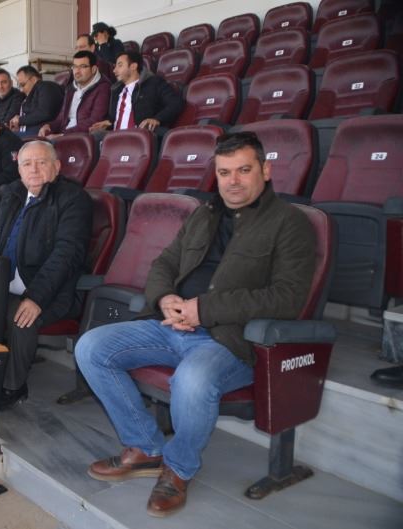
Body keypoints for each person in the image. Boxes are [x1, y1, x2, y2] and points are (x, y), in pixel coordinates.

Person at [75, 132, 316, 517]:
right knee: (91, 347)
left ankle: (179, 467)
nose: (233, 181)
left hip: (229, 340)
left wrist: (205, 309)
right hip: (171, 325)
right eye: (224, 172)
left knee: (192, 380)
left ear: (266, 171)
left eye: (243, 170)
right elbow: (164, 264)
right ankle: (146, 448)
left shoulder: (290, 223)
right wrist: (165, 299)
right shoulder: (204, 214)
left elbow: (286, 298)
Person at [0, 141, 92, 409]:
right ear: (19, 170)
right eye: (27, 164)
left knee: (21, 318)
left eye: (41, 162)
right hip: (4, 284)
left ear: (57, 166)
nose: (34, 169)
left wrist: (36, 297)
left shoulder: (73, 199)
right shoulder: (12, 194)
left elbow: (66, 255)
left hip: (52, 291)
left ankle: (13, 387)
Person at [90, 50, 182, 134]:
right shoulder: (116, 90)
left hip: (139, 136)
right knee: (93, 135)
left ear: (133, 66)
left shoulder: (154, 83)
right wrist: (109, 122)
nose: (114, 70)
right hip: (115, 136)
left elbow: (175, 103)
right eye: (115, 67)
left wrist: (157, 119)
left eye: (120, 65)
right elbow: (117, 117)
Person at [39, 51, 111, 137]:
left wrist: (62, 135)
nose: (77, 71)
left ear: (93, 69)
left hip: (82, 137)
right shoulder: (70, 88)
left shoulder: (103, 88)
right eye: (75, 67)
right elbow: (61, 118)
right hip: (65, 134)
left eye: (82, 66)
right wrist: (49, 126)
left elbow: (94, 122)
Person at [9, 65, 64, 137]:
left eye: (23, 85)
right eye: (19, 86)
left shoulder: (46, 87)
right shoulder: (33, 93)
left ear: (34, 79)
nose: (21, 90)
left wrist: (21, 120)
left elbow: (45, 113)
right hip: (30, 131)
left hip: (42, 132)